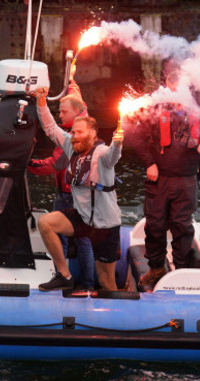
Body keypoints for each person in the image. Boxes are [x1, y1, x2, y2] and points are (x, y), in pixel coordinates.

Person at [33, 86, 123, 292]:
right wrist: (41, 102)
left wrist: (118, 143)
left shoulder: (102, 152)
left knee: (106, 281)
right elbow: (50, 127)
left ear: (92, 133)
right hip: (82, 219)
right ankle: (64, 275)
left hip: (105, 226)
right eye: (73, 132)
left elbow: (113, 157)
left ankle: (114, 315)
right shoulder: (70, 146)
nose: (75, 136)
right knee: (46, 222)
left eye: (80, 132)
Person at [129, 72, 200, 290]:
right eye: (173, 86)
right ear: (167, 86)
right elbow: (135, 137)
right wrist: (149, 163)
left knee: (182, 227)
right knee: (154, 225)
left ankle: (182, 270)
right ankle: (156, 269)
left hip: (187, 179)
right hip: (160, 180)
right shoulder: (156, 110)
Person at [27, 67, 96, 290]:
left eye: (63, 111)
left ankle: (77, 282)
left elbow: (53, 164)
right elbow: (76, 103)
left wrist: (27, 164)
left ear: (76, 115)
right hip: (75, 195)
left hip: (73, 197)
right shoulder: (81, 119)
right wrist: (72, 80)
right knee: (82, 240)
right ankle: (79, 281)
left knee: (76, 240)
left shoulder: (74, 141)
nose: (60, 114)